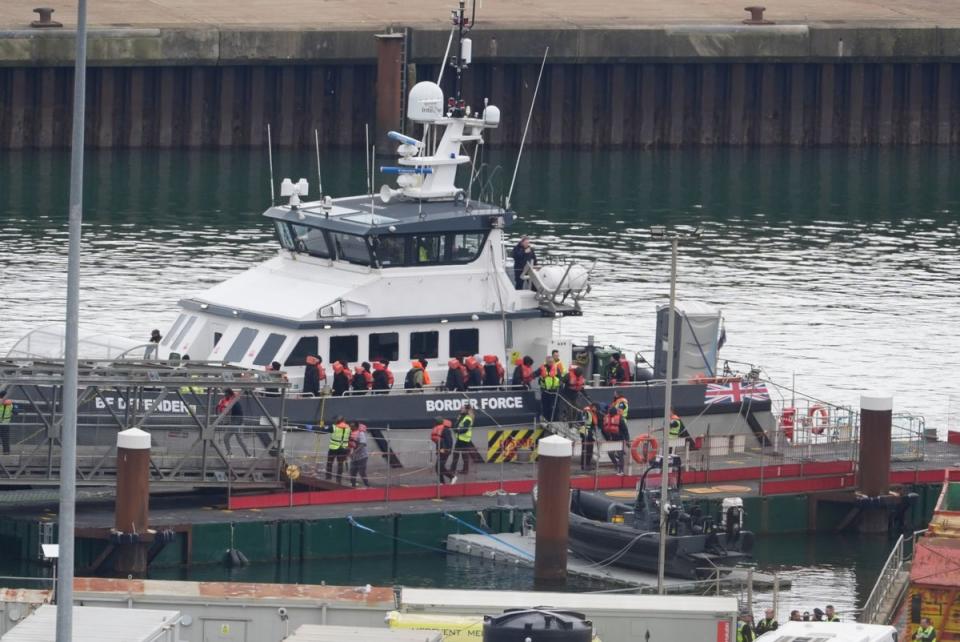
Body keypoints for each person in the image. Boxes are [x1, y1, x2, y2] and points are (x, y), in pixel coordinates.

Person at [218, 389, 248, 457]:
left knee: (239, 440)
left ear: (229, 394)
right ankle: (230, 453)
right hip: (234, 423)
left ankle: (247, 454)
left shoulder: (232, 401)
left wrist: (222, 419)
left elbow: (228, 412)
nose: (224, 395)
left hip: (237, 423)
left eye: (225, 393)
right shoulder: (233, 400)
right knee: (227, 438)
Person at [449, 406, 475, 481]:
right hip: (460, 438)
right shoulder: (462, 416)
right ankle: (458, 469)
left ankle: (459, 469)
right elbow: (456, 424)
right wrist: (455, 429)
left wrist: (457, 431)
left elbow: (465, 429)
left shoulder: (468, 418)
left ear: (466, 410)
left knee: (461, 455)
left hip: (464, 439)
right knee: (458, 454)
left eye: (462, 408)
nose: (460, 409)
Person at [601, 405, 629, 474]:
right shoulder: (607, 418)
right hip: (612, 439)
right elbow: (603, 430)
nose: (610, 415)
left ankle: (621, 470)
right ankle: (616, 464)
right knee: (610, 453)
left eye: (612, 414)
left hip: (620, 439)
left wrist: (627, 440)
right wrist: (607, 439)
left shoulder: (620, 419)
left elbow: (625, 430)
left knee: (620, 454)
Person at [325, 416, 351, 484]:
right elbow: (349, 438)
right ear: (344, 420)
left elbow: (323, 430)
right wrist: (348, 449)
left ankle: (328, 477)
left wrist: (312, 428)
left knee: (329, 463)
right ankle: (338, 480)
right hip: (343, 449)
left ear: (337, 421)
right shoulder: (348, 428)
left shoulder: (333, 427)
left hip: (333, 448)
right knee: (340, 464)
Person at [431, 416, 455, 484]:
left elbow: (449, 442)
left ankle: (452, 477)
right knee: (438, 467)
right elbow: (438, 441)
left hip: (445, 451)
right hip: (440, 451)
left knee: (439, 467)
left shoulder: (446, 430)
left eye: (435, 422)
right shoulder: (439, 429)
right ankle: (442, 482)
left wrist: (447, 450)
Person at [348, 421, 370, 487]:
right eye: (350, 426)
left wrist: (354, 452)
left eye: (352, 426)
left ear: (356, 427)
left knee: (362, 472)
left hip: (362, 456)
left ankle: (367, 485)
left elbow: (363, 444)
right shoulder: (350, 433)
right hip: (354, 457)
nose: (351, 427)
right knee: (352, 472)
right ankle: (353, 486)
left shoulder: (361, 433)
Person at [538, 356, 561, 421]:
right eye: (549, 362)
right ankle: (546, 419)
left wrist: (560, 387)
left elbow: (560, 378)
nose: (551, 363)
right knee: (545, 406)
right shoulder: (542, 368)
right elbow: (536, 374)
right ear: (547, 362)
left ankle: (555, 420)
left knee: (554, 406)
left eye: (552, 362)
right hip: (545, 391)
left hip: (554, 391)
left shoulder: (556, 368)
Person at [579, 403, 599, 470]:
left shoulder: (591, 413)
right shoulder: (587, 412)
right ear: (593, 407)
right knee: (586, 450)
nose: (596, 410)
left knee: (589, 449)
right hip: (586, 433)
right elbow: (583, 422)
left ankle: (587, 464)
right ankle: (584, 465)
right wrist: (586, 433)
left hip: (589, 432)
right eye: (596, 408)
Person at [0, 390, 13, 455]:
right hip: (6, 423)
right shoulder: (10, 404)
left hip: (0, 422)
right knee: (5, 438)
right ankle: (6, 451)